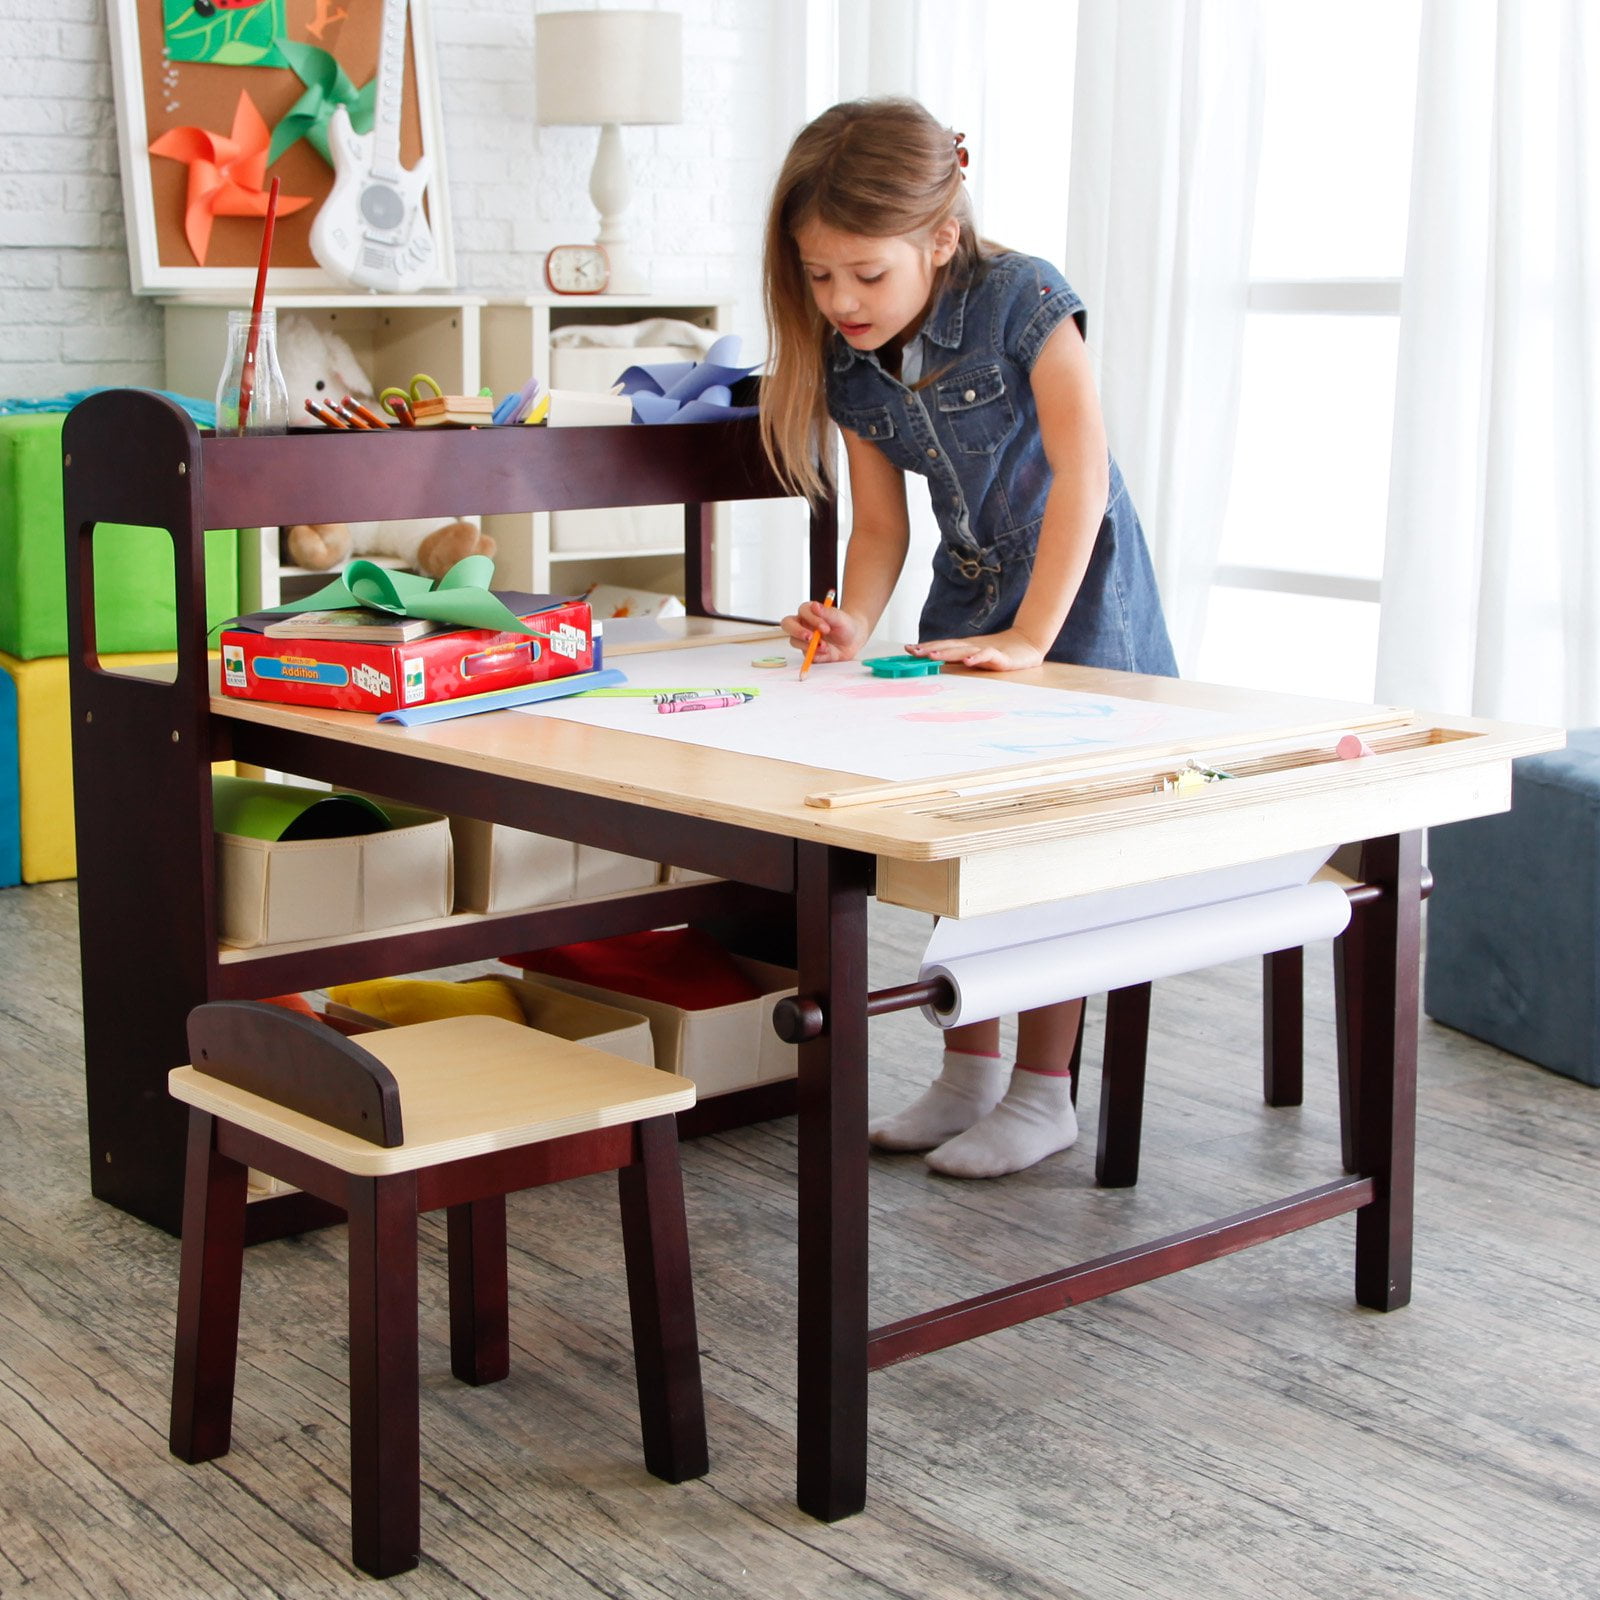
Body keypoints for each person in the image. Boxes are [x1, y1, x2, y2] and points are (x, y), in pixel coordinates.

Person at [759, 97, 1178, 1179]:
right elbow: (883, 527)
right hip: (970, 604)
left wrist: (1037, 635)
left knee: (1052, 850)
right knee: (969, 846)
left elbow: (1085, 476)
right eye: (817, 276)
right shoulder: (851, 364)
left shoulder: (1024, 299)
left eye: (864, 274)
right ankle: (968, 1074)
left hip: (1076, 602)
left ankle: (1044, 1093)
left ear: (938, 239)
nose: (840, 301)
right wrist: (851, 620)